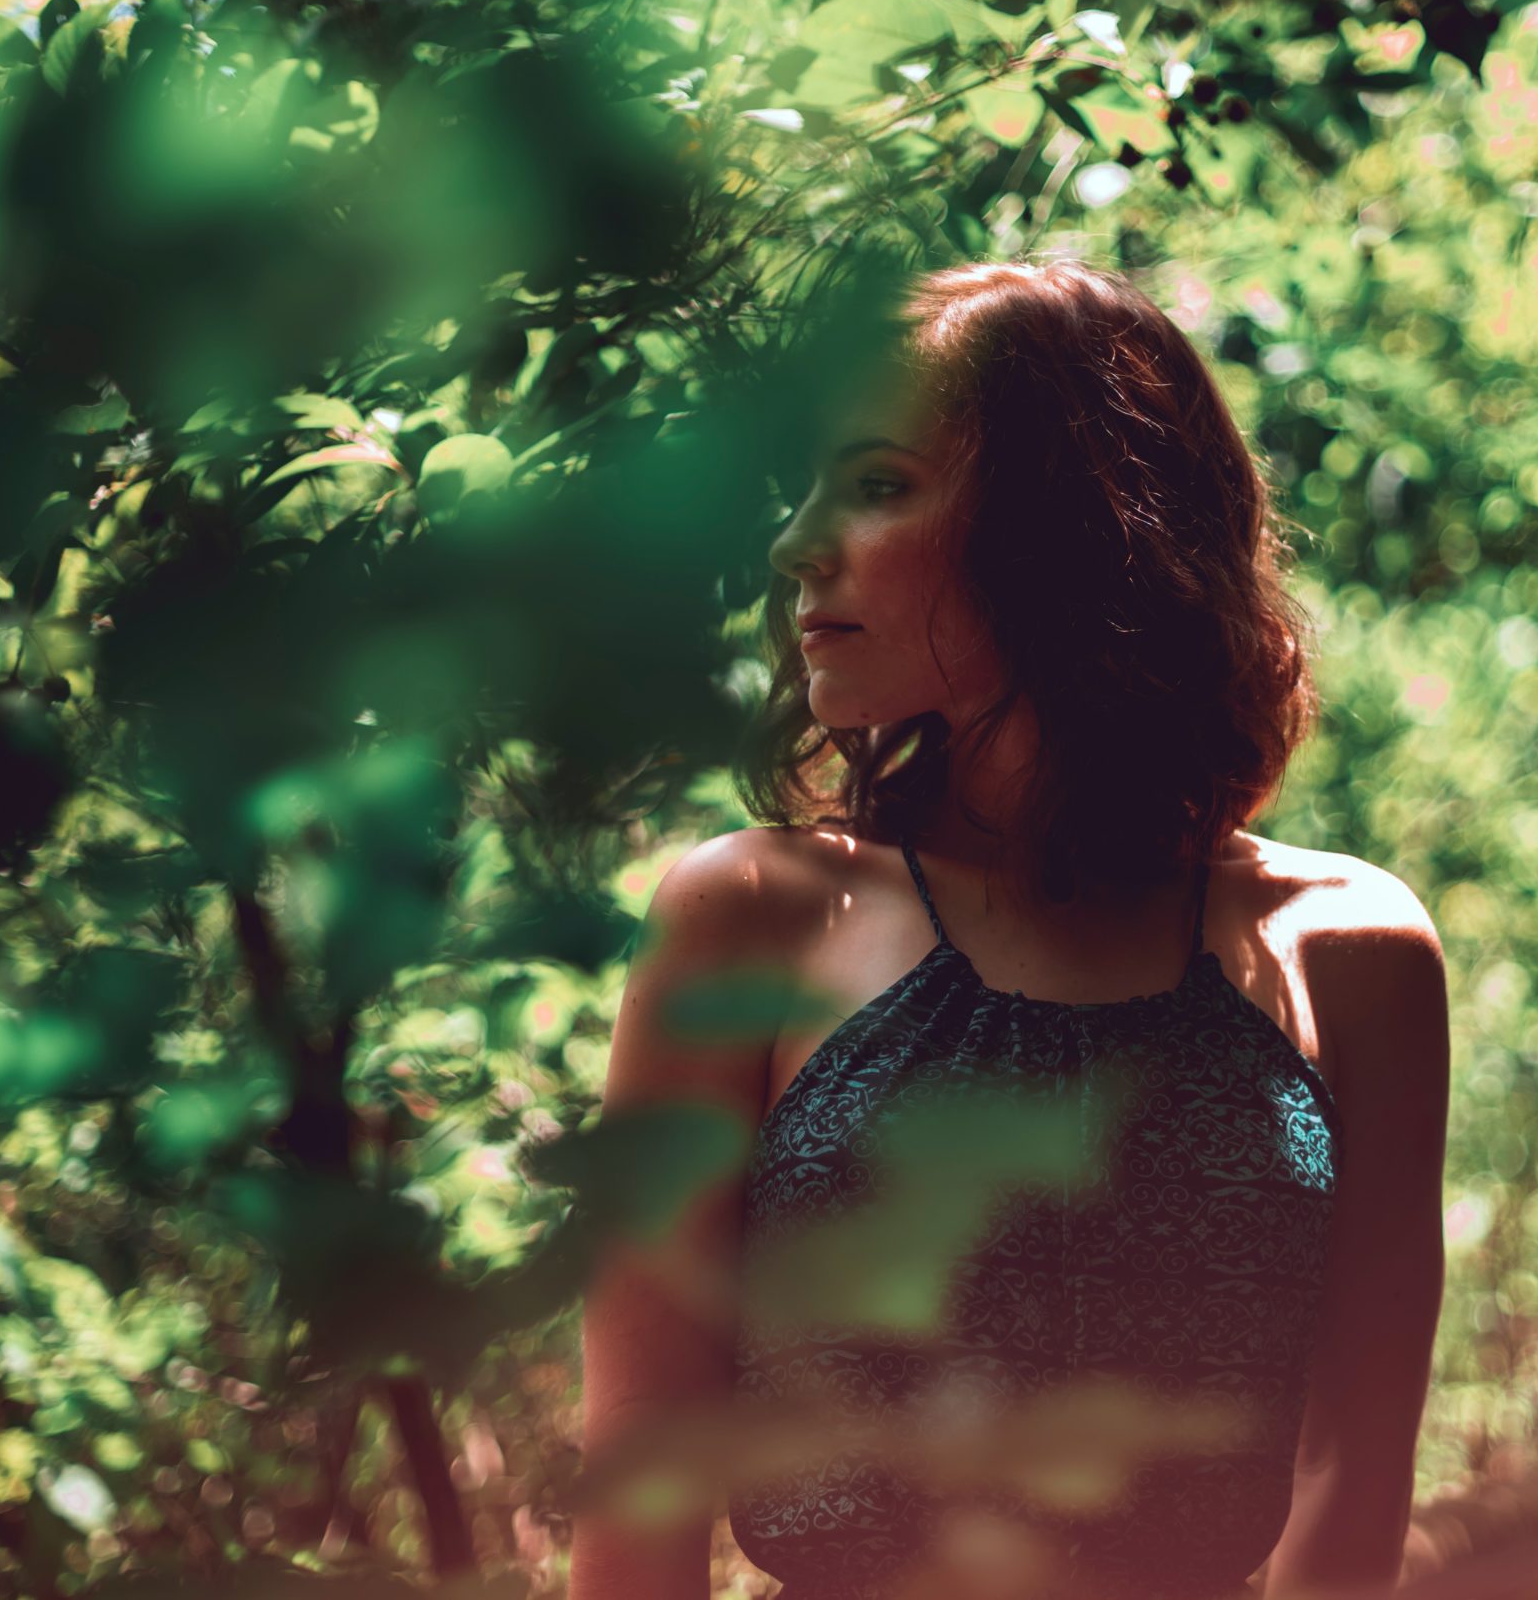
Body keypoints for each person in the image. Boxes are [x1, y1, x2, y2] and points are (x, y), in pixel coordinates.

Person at [571, 259, 1449, 1600]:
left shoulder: (1354, 950)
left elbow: (1355, 1473)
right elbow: (640, 1506)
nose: (797, 543)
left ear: (1063, 526)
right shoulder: (745, 920)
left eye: (874, 484)